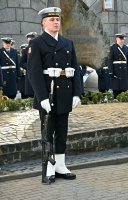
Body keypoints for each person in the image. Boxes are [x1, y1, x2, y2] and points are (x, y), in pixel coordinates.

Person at [27, 7, 81, 183]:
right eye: (51, 20)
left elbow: (76, 70)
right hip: (48, 95)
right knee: (48, 133)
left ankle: (60, 165)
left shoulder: (68, 43)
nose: (56, 22)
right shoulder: (37, 43)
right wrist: (41, 97)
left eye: (57, 19)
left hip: (64, 94)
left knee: (62, 132)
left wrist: (77, 93)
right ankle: (49, 168)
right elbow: (34, 73)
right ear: (43, 23)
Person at [108, 33, 128, 99]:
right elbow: (110, 60)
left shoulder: (125, 48)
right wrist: (111, 71)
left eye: (123, 39)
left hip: (124, 70)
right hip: (116, 70)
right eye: (121, 39)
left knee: (124, 89)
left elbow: (127, 60)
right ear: (117, 39)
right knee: (116, 89)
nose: (122, 40)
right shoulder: (113, 47)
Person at [19, 32, 38, 98]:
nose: (31, 40)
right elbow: (21, 63)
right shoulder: (26, 49)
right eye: (30, 39)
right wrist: (30, 66)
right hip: (30, 74)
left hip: (39, 74)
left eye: (32, 38)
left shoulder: (41, 48)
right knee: (31, 94)